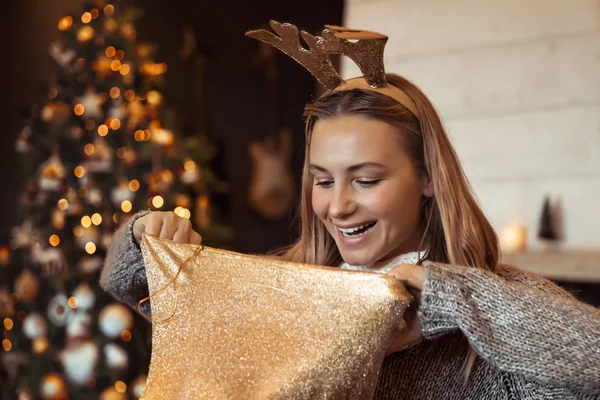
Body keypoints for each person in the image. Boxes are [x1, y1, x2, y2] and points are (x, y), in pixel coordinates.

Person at [100, 22, 600, 399]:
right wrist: (146, 234)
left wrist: (452, 299)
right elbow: (134, 284)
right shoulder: (286, 287)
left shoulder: (488, 315)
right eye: (322, 180)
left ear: (427, 177)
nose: (337, 206)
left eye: (366, 180)